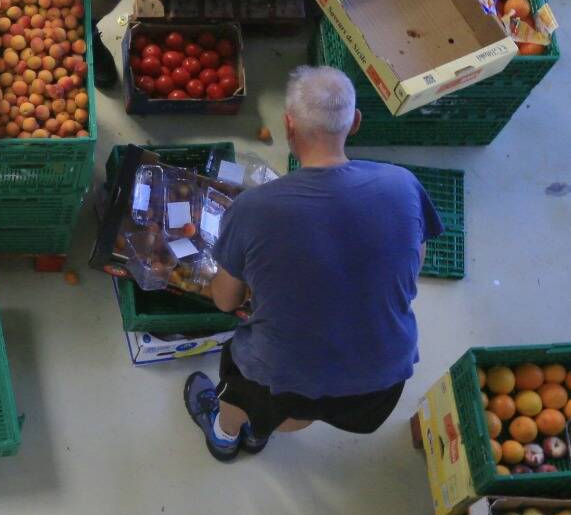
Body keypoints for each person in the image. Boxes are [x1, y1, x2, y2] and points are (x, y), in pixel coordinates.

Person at [182, 67, 442, 462]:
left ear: (289, 125)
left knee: (248, 388)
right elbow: (413, 261)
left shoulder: (254, 209)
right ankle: (274, 424)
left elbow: (224, 300)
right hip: (379, 378)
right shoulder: (402, 184)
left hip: (283, 376)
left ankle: (230, 434)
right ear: (355, 122)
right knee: (316, 403)